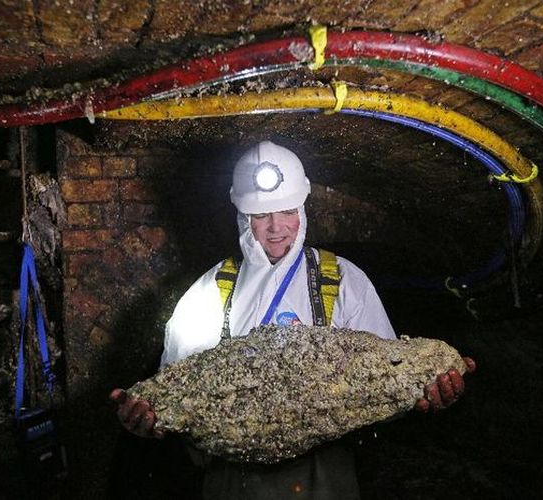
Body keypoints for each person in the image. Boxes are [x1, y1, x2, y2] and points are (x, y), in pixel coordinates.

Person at [110, 140, 475, 499]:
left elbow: (386, 387)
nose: (276, 227)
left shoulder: (342, 280)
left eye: (287, 211)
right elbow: (175, 396)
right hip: (233, 480)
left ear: (303, 209)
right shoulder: (211, 291)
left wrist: (427, 392)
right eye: (261, 215)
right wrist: (147, 417)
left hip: (325, 476)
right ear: (242, 217)